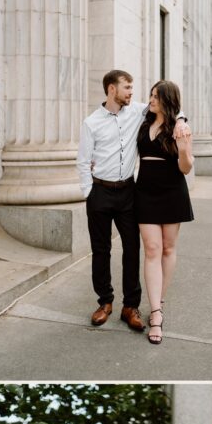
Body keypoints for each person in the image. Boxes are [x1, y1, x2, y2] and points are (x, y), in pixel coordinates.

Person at [76, 70, 148, 333]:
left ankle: (130, 307)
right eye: (127, 87)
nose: (131, 92)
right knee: (101, 251)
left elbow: (166, 104)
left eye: (132, 87)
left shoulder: (137, 111)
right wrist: (89, 193)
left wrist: (182, 119)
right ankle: (105, 302)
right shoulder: (91, 122)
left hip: (128, 192)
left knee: (132, 249)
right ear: (111, 90)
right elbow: (83, 161)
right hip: (100, 192)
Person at [136, 81, 194, 345]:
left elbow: (185, 167)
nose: (151, 99)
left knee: (168, 249)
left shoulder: (180, 128)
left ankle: (158, 301)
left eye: (157, 96)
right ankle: (156, 314)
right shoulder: (142, 118)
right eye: (151, 94)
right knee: (151, 249)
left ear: (167, 100)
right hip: (145, 191)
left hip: (172, 190)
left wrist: (183, 150)